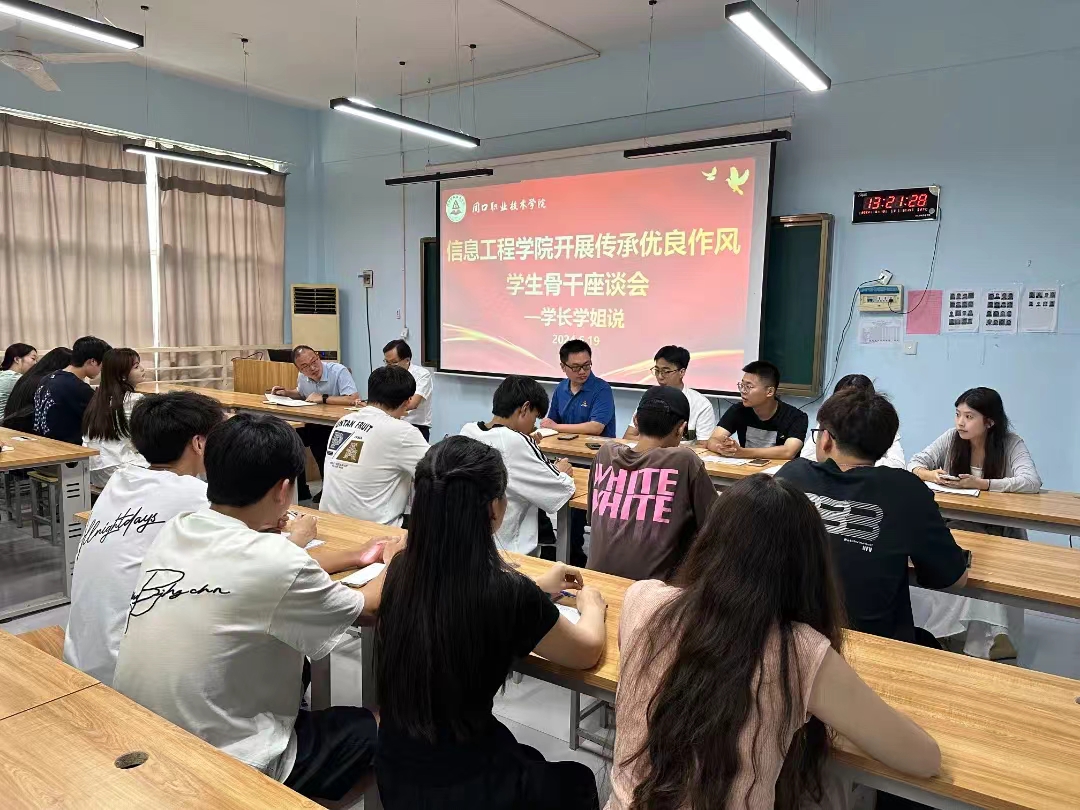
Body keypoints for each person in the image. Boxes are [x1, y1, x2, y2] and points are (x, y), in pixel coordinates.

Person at [608, 475, 942, 810]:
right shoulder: (799, 651)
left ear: (708, 539)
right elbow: (924, 759)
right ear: (807, 566)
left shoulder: (643, 600)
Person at [113, 413, 399, 803]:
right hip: (228, 760)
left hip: (145, 730)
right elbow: (369, 608)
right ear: (284, 489)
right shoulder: (274, 559)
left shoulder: (180, 527)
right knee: (392, 727)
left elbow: (275, 571)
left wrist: (355, 554)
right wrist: (395, 558)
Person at [374, 435, 608, 809]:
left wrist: (535, 587)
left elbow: (462, 594)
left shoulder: (401, 570)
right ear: (494, 510)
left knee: (524, 755)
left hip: (395, 770)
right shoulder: (507, 593)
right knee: (579, 781)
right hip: (465, 789)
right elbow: (587, 651)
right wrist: (592, 604)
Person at [776, 387, 968, 643]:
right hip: (869, 643)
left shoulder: (791, 475)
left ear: (826, 439)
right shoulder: (905, 489)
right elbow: (953, 579)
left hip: (787, 635)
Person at [64, 391, 226, 685]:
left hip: (82, 654)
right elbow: (259, 553)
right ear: (199, 444)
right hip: (129, 673)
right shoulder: (193, 496)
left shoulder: (121, 480)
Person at [908, 387, 1041, 660]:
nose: (960, 422)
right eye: (958, 414)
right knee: (958, 548)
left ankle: (972, 636)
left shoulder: (1010, 443)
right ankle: (977, 635)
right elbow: (915, 463)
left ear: (989, 421)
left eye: (969, 417)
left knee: (980, 555)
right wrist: (931, 475)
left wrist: (983, 484)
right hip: (958, 522)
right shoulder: (951, 438)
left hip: (999, 529)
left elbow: (1031, 481)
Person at [588, 385, 718, 582]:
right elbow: (715, 524)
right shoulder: (684, 460)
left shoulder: (605, 453)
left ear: (635, 421)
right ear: (681, 428)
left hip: (594, 582)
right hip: (653, 591)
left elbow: (592, 517)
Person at [460, 375, 576, 556]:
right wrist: (561, 471)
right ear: (525, 408)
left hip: (468, 542)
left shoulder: (468, 430)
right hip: (508, 552)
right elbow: (560, 490)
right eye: (535, 418)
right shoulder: (515, 441)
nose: (534, 426)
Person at [319, 365, 428, 527]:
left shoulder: (343, 421)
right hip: (374, 527)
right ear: (407, 402)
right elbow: (437, 470)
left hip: (328, 520)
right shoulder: (402, 431)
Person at [269, 345, 360, 502]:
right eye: (305, 366)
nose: (312, 368)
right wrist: (286, 393)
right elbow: (302, 393)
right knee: (290, 438)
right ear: (299, 368)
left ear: (318, 357)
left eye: (314, 361)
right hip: (315, 422)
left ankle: (330, 489)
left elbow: (353, 398)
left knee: (319, 439)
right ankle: (300, 489)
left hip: (339, 424)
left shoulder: (339, 371)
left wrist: (323, 398)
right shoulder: (302, 376)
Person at [707, 360, 807, 460]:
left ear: (770, 391)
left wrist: (742, 452)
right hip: (745, 467)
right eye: (741, 385)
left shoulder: (796, 417)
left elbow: (788, 452)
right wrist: (723, 448)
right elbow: (713, 440)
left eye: (749, 387)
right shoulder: (738, 410)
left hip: (781, 470)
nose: (743, 391)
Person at [801, 374, 905, 468]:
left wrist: (851, 463)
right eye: (843, 400)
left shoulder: (882, 426)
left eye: (858, 400)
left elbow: (897, 465)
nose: (851, 405)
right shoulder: (826, 424)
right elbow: (807, 458)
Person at [82, 348, 149, 488]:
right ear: (122, 375)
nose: (143, 369)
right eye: (136, 367)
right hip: (120, 471)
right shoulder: (134, 399)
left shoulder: (98, 398)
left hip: (96, 472)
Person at [624, 346, 716, 442]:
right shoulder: (649, 398)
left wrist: (661, 443)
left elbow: (703, 445)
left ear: (682, 372)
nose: (660, 377)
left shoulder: (701, 404)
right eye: (657, 371)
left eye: (666, 372)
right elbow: (628, 436)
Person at [33, 335, 111, 445]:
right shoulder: (78, 388)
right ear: (93, 361)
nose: (102, 370)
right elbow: (104, 418)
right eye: (102, 364)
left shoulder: (46, 379)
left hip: (43, 443)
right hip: (67, 448)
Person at [541, 339, 616, 438]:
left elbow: (596, 427)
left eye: (586, 365)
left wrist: (556, 427)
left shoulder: (602, 389)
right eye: (576, 367)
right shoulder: (561, 388)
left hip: (595, 447)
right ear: (563, 367)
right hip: (564, 444)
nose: (582, 372)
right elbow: (552, 422)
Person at [2, 347, 71, 433]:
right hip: (23, 431)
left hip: (12, 428)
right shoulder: (45, 382)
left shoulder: (28, 377)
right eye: (33, 358)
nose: (35, 363)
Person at [383, 339, 433, 441]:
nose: (389, 367)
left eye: (394, 362)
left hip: (416, 426)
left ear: (407, 360)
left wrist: (382, 407)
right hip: (391, 424)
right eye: (387, 362)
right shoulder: (386, 374)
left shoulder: (422, 375)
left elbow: (412, 404)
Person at [0, 343, 37, 414]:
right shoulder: (13, 378)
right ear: (17, 359)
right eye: (33, 358)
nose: (36, 363)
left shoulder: (4, 374)